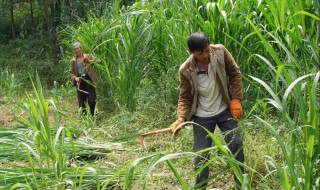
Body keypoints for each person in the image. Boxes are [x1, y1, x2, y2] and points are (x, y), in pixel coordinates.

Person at [169, 32, 244, 189]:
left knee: (236, 144)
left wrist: (236, 99)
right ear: (190, 52)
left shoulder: (220, 52)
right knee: (201, 156)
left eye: (206, 49)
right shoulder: (185, 70)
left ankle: (241, 184)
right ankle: (201, 187)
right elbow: (185, 98)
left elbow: (235, 74)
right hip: (202, 116)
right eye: (200, 53)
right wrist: (181, 118)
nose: (205, 55)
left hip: (224, 110)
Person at [70, 42, 99, 116]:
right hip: (80, 82)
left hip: (89, 81)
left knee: (92, 100)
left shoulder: (88, 56)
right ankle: (84, 119)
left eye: (77, 48)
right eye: (75, 49)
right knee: (81, 102)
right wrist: (76, 78)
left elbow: (99, 61)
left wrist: (89, 61)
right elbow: (71, 73)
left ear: (81, 48)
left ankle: (93, 115)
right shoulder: (73, 61)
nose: (76, 50)